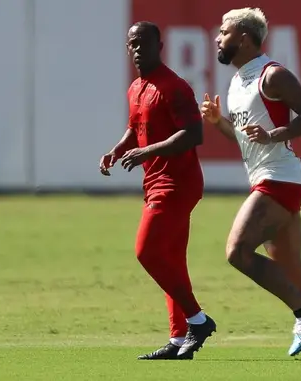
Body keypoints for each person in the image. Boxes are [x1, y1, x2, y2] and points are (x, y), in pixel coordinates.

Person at [200, 8, 301, 375]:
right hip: (267, 177)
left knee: (237, 251)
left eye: (224, 31)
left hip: (279, 179)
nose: (217, 37)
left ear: (244, 36)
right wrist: (219, 124)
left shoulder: (272, 74)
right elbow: (247, 140)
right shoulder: (236, 82)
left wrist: (277, 134)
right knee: (295, 274)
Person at [99, 21, 216, 361]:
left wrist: (147, 152)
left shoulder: (175, 87)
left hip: (178, 183)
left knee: (146, 251)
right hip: (155, 181)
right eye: (132, 44)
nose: (137, 49)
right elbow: (136, 127)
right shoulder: (136, 87)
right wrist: (118, 149)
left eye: (144, 43)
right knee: (172, 261)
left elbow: (194, 134)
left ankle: (198, 320)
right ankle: (179, 339)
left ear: (159, 46)